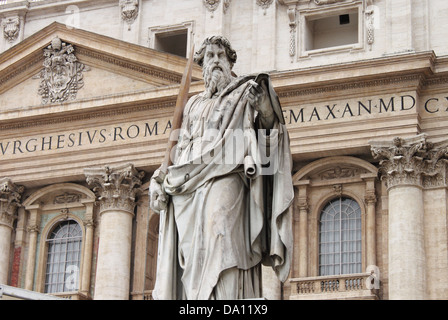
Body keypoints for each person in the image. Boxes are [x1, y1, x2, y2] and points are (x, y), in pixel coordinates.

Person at [149, 36, 294, 300]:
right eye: (209, 57)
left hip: (228, 174)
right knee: (195, 250)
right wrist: (160, 178)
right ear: (202, 65)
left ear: (230, 62)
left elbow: (269, 136)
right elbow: (177, 147)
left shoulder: (244, 93)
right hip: (188, 186)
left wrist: (264, 109)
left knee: (221, 230)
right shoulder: (192, 104)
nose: (215, 61)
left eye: (221, 56)